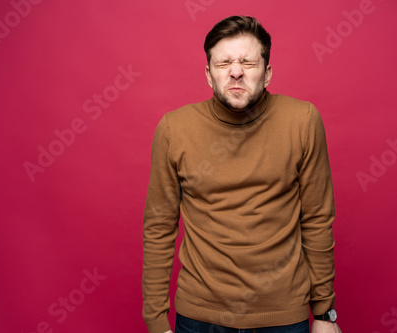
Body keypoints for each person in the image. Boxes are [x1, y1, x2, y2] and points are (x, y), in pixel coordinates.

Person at [142, 15, 341, 333]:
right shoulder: (174, 129)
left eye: (248, 62)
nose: (236, 71)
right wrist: (155, 322)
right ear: (209, 75)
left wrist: (324, 314)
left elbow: (317, 219)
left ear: (268, 72)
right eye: (224, 63)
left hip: (283, 317)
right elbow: (158, 228)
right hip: (199, 318)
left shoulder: (302, 120)